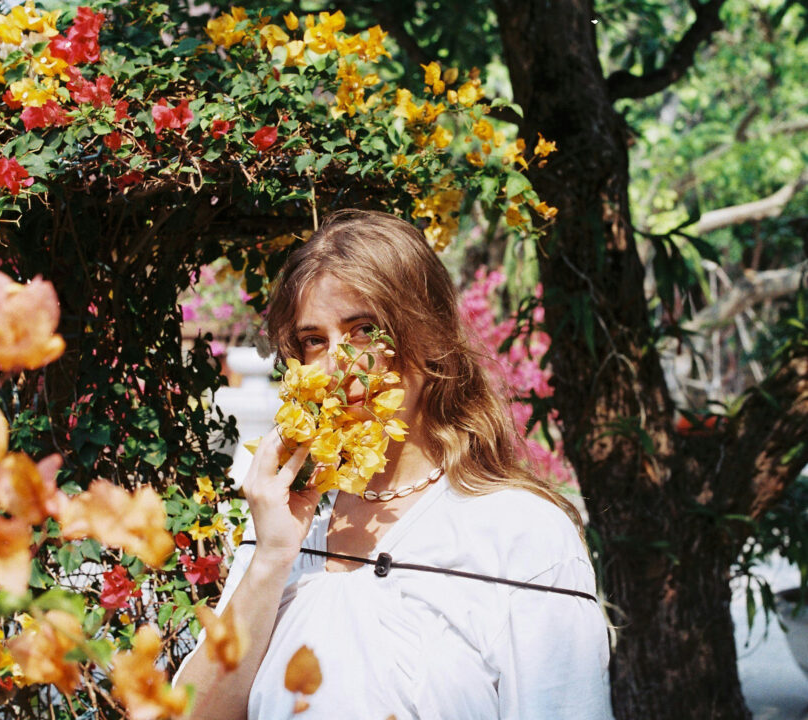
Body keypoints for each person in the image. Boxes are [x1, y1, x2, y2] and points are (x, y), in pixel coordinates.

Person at [174, 210, 612, 719]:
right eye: (314, 340)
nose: (338, 363)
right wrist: (270, 559)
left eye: (364, 330)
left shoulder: (520, 532)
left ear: (431, 335)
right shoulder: (287, 518)